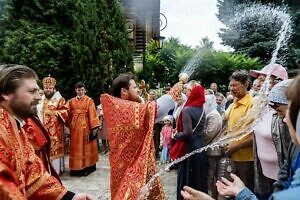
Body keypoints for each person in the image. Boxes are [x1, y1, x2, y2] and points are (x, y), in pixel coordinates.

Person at [0, 64, 92, 199]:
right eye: (32, 92)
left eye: (38, 91)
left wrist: (69, 197)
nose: (39, 97)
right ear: (6, 94)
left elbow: (33, 175)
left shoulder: (16, 127)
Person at [101, 73, 178, 199]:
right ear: (124, 91)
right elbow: (154, 110)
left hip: (132, 162)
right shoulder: (123, 107)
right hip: (131, 166)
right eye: (135, 87)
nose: (138, 90)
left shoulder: (120, 105)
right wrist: (173, 93)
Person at [172, 80, 207, 200]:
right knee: (198, 180)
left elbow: (188, 133)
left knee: (187, 181)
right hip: (200, 148)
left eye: (187, 90)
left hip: (189, 150)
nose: (186, 92)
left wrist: (175, 135)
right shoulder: (202, 110)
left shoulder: (187, 110)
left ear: (193, 92)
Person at [223, 70, 254, 191]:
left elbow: (255, 136)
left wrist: (236, 147)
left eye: (235, 85)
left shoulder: (252, 104)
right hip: (232, 156)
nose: (231, 88)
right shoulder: (233, 103)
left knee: (243, 191)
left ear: (246, 84)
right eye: (230, 85)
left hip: (246, 159)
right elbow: (229, 128)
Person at [37, 75, 68, 175]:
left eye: (50, 88)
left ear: (54, 89)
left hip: (55, 131)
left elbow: (66, 111)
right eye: (46, 88)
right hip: (42, 130)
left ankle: (56, 171)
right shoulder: (40, 99)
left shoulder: (59, 99)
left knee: (54, 150)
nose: (48, 90)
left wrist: (55, 113)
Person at [67, 82, 100, 176]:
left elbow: (92, 113)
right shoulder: (71, 101)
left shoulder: (89, 101)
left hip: (86, 127)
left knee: (87, 147)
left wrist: (94, 128)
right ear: (75, 90)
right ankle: (75, 168)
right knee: (75, 147)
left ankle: (88, 167)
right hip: (74, 128)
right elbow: (67, 112)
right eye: (78, 90)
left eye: (82, 90)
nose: (80, 92)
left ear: (84, 90)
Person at [203, 94, 223, 199]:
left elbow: (210, 133)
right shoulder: (210, 113)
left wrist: (200, 138)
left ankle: (211, 195)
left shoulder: (214, 115)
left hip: (213, 150)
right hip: (210, 149)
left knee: (211, 175)